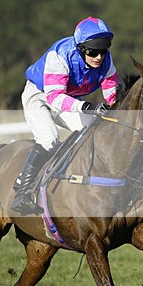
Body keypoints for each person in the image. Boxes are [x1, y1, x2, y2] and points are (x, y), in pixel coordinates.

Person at [11, 16, 119, 215]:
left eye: (103, 51)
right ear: (80, 48)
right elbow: (54, 98)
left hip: (68, 99)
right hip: (40, 95)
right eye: (92, 52)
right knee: (49, 138)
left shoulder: (106, 61)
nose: (98, 57)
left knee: (93, 131)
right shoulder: (60, 55)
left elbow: (112, 91)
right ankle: (22, 191)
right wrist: (88, 106)